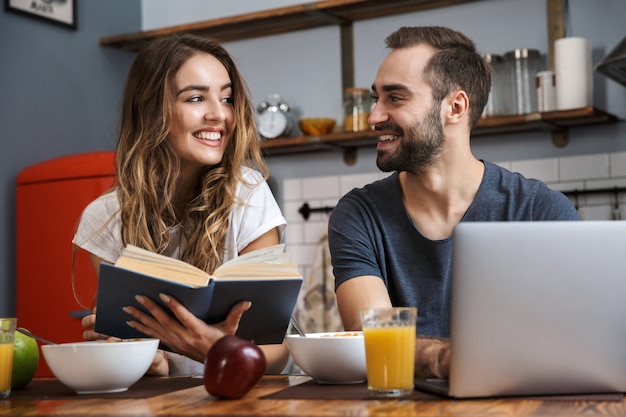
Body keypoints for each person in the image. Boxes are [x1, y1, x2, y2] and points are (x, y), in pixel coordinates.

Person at [327, 26, 580, 379]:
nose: (374, 116)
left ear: (455, 107)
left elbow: (577, 338)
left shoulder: (540, 211)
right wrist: (450, 359)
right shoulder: (358, 215)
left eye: (395, 98)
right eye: (376, 98)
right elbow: (374, 339)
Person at [73, 33, 289, 376]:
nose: (219, 115)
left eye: (227, 98)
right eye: (196, 98)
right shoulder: (105, 218)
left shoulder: (248, 194)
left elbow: (274, 352)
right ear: (152, 111)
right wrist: (146, 359)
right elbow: (136, 347)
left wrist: (213, 349)